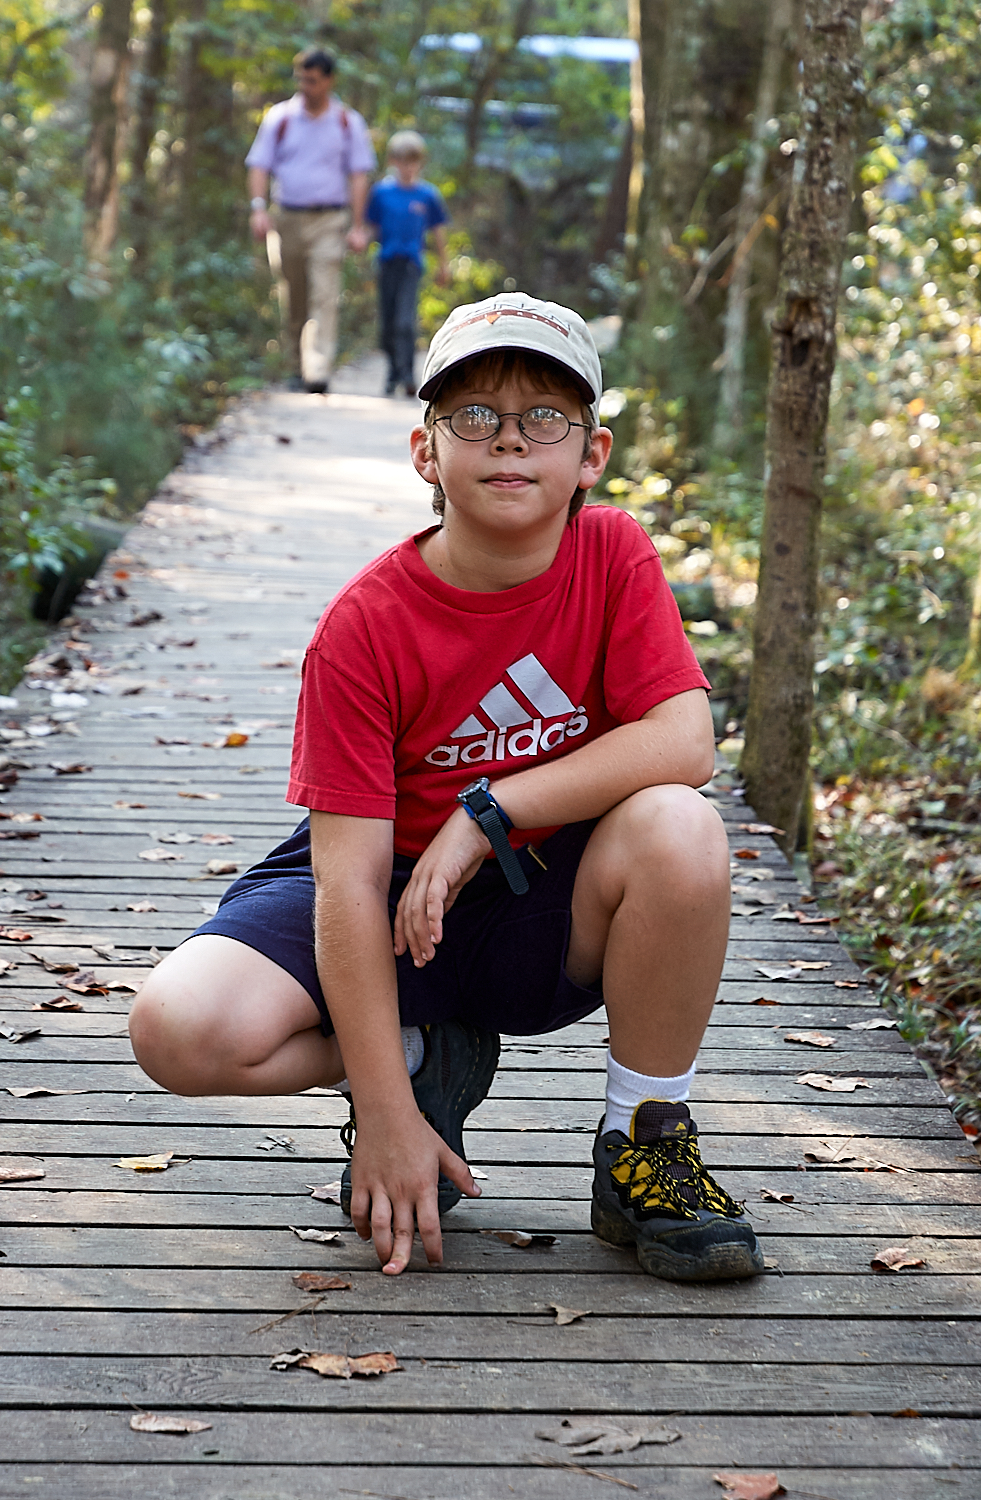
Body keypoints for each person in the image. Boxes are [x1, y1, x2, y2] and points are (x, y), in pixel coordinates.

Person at [129, 291, 763, 1287]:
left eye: (543, 417)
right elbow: (346, 883)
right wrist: (385, 1111)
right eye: (474, 415)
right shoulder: (364, 626)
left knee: (680, 826)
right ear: (426, 452)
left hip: (540, 898)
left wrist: (489, 812)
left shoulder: (612, 554)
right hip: (384, 890)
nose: (509, 440)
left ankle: (644, 1144)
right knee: (176, 1028)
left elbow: (685, 742)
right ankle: (417, 1057)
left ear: (590, 454)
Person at [246, 47, 376, 394]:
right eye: (301, 79)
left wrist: (358, 226)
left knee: (324, 293)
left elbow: (359, 175)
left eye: (313, 80)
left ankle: (317, 370)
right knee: (293, 295)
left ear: (329, 81)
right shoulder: (280, 118)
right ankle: (294, 365)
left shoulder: (347, 122)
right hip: (286, 217)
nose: (306, 86)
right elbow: (259, 165)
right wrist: (258, 209)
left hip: (329, 219)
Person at [367, 131, 450, 397]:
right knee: (388, 323)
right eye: (402, 161)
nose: (407, 167)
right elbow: (370, 227)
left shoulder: (427, 195)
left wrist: (444, 264)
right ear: (393, 161)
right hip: (386, 262)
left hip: (411, 264)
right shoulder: (381, 193)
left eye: (412, 161)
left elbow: (438, 231)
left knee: (405, 321)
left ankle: (408, 374)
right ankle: (393, 372)